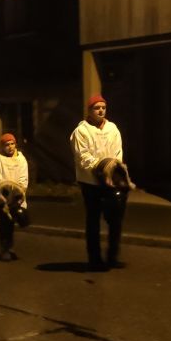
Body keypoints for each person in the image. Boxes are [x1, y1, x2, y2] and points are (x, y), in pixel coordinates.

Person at [70, 94, 129, 271]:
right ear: (89, 110)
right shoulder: (81, 131)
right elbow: (83, 157)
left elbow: (118, 152)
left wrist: (114, 167)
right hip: (91, 182)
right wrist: (102, 167)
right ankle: (94, 259)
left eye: (103, 107)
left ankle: (112, 256)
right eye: (97, 108)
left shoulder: (112, 128)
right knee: (93, 219)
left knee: (115, 218)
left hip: (111, 181)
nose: (101, 110)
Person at [0, 133, 30, 261]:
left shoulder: (21, 159)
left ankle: (10, 246)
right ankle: (4, 249)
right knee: (5, 222)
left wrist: (19, 192)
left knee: (12, 222)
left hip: (16, 196)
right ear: (2, 146)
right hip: (2, 196)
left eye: (12, 144)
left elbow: (23, 178)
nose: (10, 147)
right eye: (7, 145)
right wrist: (4, 191)